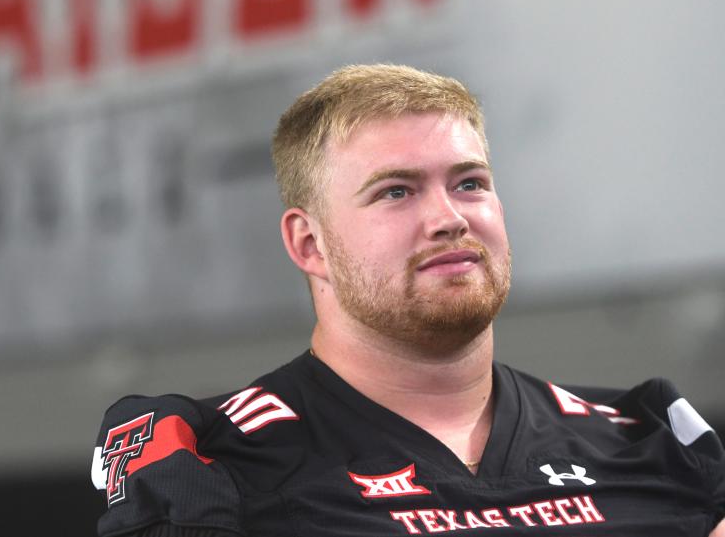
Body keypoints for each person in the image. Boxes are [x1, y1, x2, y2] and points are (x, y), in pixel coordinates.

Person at [90, 64, 725, 536]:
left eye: (470, 183)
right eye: (397, 192)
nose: (449, 218)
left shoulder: (647, 439)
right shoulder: (216, 461)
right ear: (309, 243)